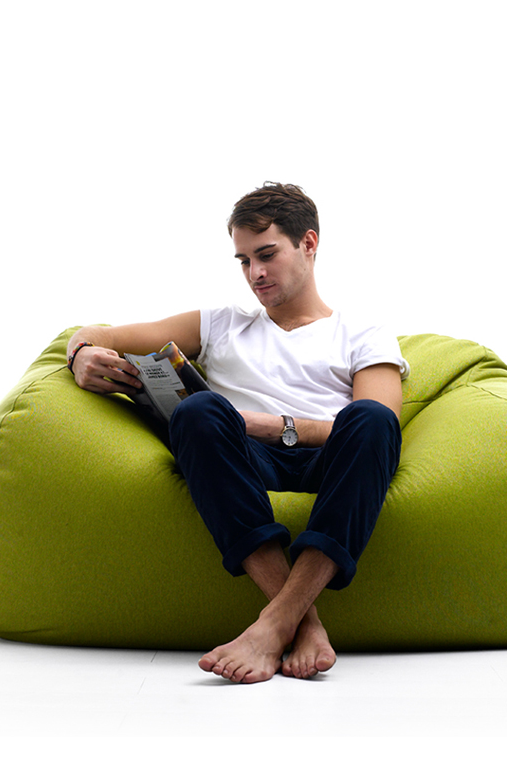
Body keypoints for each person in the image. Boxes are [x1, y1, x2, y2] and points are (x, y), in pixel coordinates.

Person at [66, 183, 409, 684]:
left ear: (308, 244)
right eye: (244, 261)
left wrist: (268, 424)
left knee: (371, 422)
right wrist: (80, 355)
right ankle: (299, 623)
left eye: (266, 255)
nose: (255, 274)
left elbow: (383, 423)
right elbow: (102, 334)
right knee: (198, 411)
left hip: (330, 462)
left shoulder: (363, 333)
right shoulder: (221, 324)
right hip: (244, 463)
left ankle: (273, 623)